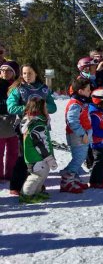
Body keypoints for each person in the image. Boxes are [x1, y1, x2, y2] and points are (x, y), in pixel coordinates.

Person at [7, 64, 58, 195]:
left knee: (40, 154)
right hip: (24, 127)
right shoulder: (18, 89)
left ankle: (35, 183)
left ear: (36, 73)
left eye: (29, 73)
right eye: (24, 73)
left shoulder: (44, 89)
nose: (26, 76)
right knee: (24, 156)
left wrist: (44, 108)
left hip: (41, 126)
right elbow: (11, 107)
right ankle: (17, 185)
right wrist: (29, 110)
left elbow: (53, 107)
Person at [19, 97, 57, 203]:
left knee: (42, 174)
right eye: (45, 107)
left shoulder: (33, 121)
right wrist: (49, 158)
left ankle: (36, 192)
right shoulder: (37, 124)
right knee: (36, 176)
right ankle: (26, 195)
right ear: (39, 108)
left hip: (36, 156)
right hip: (37, 156)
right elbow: (41, 144)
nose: (47, 109)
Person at [62, 78, 93, 193]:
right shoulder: (75, 104)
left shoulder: (81, 102)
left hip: (82, 135)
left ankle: (73, 178)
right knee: (78, 159)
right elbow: (72, 121)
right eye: (88, 89)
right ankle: (66, 181)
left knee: (80, 157)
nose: (90, 91)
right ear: (80, 91)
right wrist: (82, 134)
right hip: (78, 136)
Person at [88, 88, 103, 189]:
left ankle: (101, 177)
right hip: (98, 142)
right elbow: (95, 130)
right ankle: (95, 181)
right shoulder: (95, 114)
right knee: (99, 161)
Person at [0, 61, 19, 181]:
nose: (5, 73)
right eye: (2, 70)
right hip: (0, 120)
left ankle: (11, 174)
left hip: (14, 120)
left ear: (14, 73)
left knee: (13, 151)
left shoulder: (18, 86)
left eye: (8, 70)